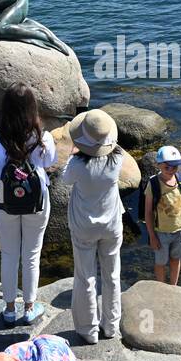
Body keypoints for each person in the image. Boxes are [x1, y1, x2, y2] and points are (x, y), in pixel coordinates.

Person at [0, 83, 57, 326]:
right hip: (37, 198)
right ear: (32, 108)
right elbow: (49, 164)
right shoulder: (43, 137)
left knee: (8, 253)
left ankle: (8, 309)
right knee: (32, 254)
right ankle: (28, 307)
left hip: (2, 196)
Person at [61, 109, 125, 345]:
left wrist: (73, 152)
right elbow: (111, 147)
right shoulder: (117, 159)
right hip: (111, 224)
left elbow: (65, 180)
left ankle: (88, 330)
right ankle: (111, 325)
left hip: (84, 227)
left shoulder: (77, 164)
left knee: (85, 277)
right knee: (112, 275)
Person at [143, 145, 181, 286]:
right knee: (160, 262)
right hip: (161, 232)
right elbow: (147, 212)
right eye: (167, 167)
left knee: (176, 259)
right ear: (159, 165)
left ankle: (173, 287)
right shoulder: (153, 184)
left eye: (175, 167)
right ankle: (161, 287)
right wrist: (152, 236)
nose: (171, 170)